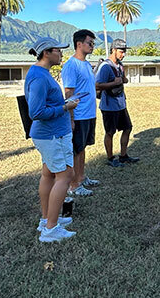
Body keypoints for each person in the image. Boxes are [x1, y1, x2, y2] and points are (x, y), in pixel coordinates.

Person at [24, 37, 78, 243]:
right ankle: (51, 229)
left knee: (48, 174)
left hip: (49, 133)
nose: (62, 53)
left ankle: (47, 218)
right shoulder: (39, 77)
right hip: (51, 134)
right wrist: (66, 107)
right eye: (58, 50)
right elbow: (36, 111)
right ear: (47, 53)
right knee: (65, 175)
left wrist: (64, 104)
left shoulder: (40, 73)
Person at [61, 29, 100, 197]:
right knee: (76, 150)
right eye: (90, 43)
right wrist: (70, 118)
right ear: (79, 44)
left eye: (93, 43)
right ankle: (74, 185)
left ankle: (81, 177)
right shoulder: (71, 65)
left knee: (82, 148)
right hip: (79, 115)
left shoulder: (85, 64)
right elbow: (69, 93)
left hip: (89, 113)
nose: (92, 46)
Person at [95, 38, 140, 167]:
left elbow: (122, 80)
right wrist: (114, 83)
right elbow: (97, 85)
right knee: (110, 132)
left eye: (125, 51)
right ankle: (110, 158)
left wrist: (123, 79)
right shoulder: (105, 66)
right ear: (113, 50)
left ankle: (123, 156)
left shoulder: (120, 65)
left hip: (120, 104)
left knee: (127, 128)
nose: (123, 54)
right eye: (121, 51)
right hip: (109, 106)